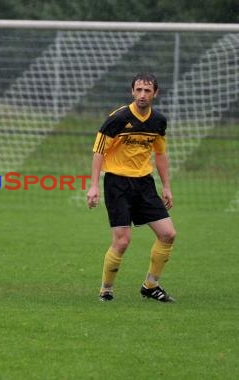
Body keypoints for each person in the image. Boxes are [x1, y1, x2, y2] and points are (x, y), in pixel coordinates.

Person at [86, 72, 177, 303]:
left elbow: (160, 153)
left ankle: (150, 285)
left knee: (168, 234)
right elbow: (99, 152)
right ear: (132, 91)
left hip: (145, 184)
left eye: (147, 91)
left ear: (155, 93)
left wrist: (166, 187)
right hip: (117, 183)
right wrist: (93, 186)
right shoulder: (118, 118)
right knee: (123, 240)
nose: (142, 95)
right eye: (138, 90)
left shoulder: (158, 121)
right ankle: (106, 290)